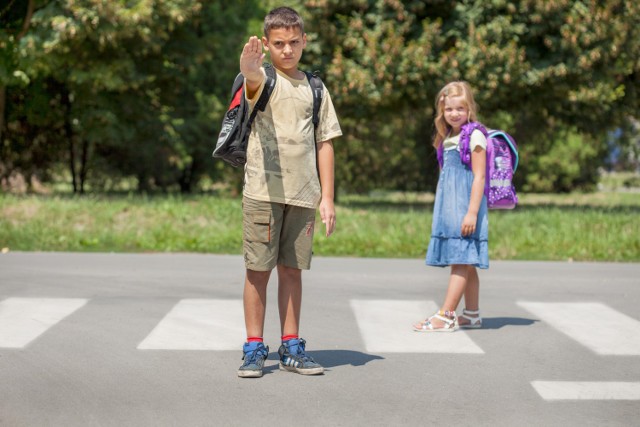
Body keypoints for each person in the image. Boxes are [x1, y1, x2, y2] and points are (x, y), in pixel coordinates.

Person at [236, 6, 342, 377]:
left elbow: (325, 141)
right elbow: (251, 82)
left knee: (293, 271)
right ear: (267, 44)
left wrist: (327, 197)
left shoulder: (315, 87)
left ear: (304, 41)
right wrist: (249, 68)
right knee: (257, 270)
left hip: (303, 194)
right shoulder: (264, 79)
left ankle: (291, 346)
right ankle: (253, 347)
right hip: (263, 193)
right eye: (278, 43)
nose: (287, 50)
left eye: (294, 42)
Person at [413, 81, 488, 332]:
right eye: (448, 110)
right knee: (465, 260)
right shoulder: (449, 136)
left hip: (464, 206)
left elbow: (479, 177)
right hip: (451, 205)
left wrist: (472, 212)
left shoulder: (475, 135)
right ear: (441, 111)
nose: (454, 114)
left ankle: (446, 315)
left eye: (460, 109)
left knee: (460, 258)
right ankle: (472, 314)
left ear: (470, 109)